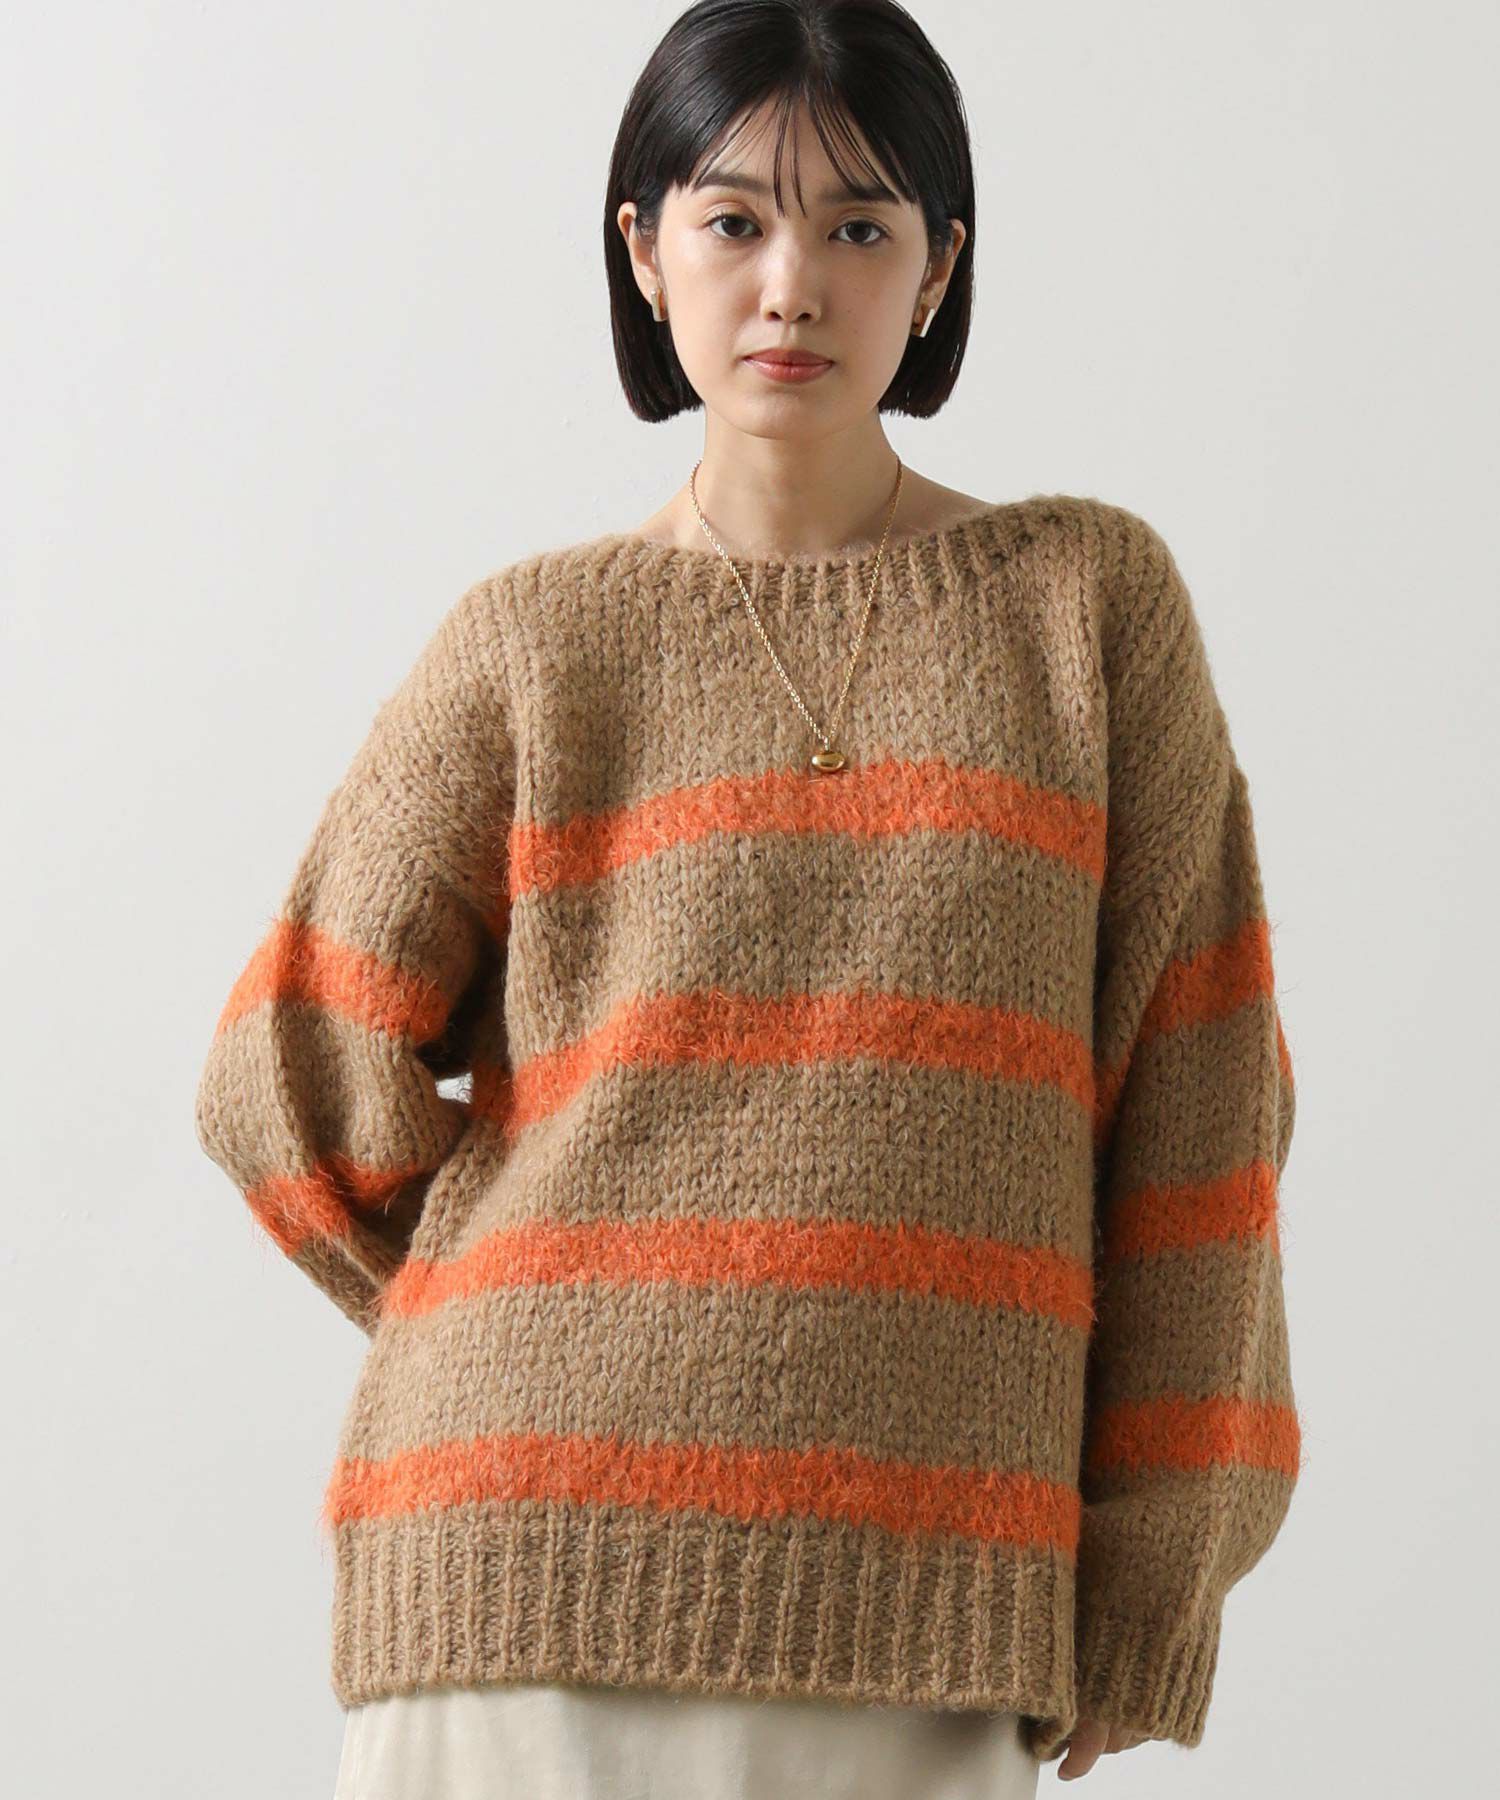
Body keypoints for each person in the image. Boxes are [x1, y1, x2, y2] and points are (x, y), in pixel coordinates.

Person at [193, 2, 1302, 1795]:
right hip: (516, 1575)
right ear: (644, 253)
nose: (794, 285)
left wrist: (1151, 1577)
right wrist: (546, 1308)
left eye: (860, 225)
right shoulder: (536, 643)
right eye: (734, 220)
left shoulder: (1086, 615)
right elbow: (282, 1076)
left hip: (933, 1591)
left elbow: (1203, 1112)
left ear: (940, 270)